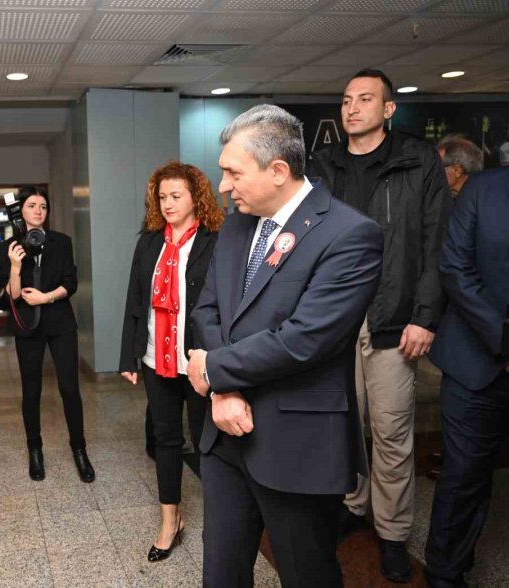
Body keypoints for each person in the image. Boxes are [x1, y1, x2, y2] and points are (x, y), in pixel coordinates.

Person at [186, 104, 383, 587]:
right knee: (222, 573)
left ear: (278, 170)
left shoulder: (348, 234)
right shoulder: (235, 225)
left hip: (295, 442)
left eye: (233, 173)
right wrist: (224, 392)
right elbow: (207, 310)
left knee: (306, 573)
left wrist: (214, 372)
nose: (224, 187)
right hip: (224, 435)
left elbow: (304, 340)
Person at [307, 68, 451, 582]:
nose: (352, 108)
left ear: (389, 109)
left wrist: (425, 316)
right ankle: (353, 506)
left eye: (365, 99)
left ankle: (392, 533)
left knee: (390, 432)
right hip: (336, 323)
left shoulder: (418, 162)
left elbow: (436, 244)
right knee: (346, 425)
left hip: (393, 322)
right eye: (346, 100)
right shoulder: (322, 167)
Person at [119, 161, 222, 562]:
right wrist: (128, 354)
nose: (167, 204)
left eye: (176, 196)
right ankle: (170, 519)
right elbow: (134, 301)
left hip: (197, 359)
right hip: (154, 356)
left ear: (197, 198)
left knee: (205, 440)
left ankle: (222, 519)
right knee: (165, 438)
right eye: (161, 197)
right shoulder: (148, 242)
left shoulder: (216, 240)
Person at [424, 166, 509, 588]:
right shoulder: (485, 188)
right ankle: (445, 572)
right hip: (477, 361)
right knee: (464, 477)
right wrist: (504, 335)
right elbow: (455, 266)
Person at [2, 187, 94, 483]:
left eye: (43, 206)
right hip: (27, 327)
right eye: (32, 205)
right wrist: (16, 267)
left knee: (69, 388)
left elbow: (71, 282)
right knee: (31, 392)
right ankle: (35, 450)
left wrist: (48, 297)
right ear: (22, 211)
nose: (38, 211)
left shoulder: (61, 242)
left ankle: (79, 450)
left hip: (60, 324)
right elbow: (13, 296)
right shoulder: (12, 244)